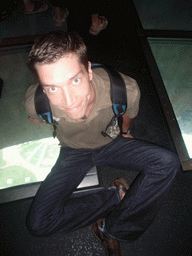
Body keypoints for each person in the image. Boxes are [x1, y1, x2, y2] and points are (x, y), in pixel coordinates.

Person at [24, 30, 180, 256]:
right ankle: (115, 196)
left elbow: (127, 113)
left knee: (168, 163)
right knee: (38, 224)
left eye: (75, 80)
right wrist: (41, 115)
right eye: (53, 88)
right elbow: (35, 112)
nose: (69, 101)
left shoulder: (125, 89)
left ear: (88, 70)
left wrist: (124, 132)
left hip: (110, 142)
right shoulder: (36, 102)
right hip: (73, 151)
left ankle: (113, 229)